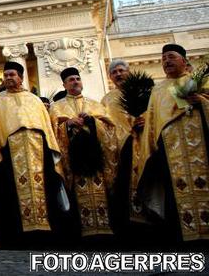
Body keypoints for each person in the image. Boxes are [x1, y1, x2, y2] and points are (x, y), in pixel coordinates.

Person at [0, 61, 67, 249]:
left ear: (21, 77)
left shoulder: (34, 100)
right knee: (10, 195)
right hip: (9, 155)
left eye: (12, 74)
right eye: (6, 75)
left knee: (45, 191)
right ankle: (17, 237)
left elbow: (48, 130)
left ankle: (46, 235)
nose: (9, 78)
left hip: (39, 152)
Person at [135, 44, 209, 243]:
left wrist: (202, 102)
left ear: (184, 61)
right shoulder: (158, 91)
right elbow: (152, 125)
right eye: (163, 59)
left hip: (203, 150)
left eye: (171, 56)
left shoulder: (200, 81)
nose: (166, 61)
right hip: (170, 157)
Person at [48, 67, 117, 241]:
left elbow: (110, 129)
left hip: (94, 158)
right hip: (73, 160)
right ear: (64, 84)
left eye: (77, 79)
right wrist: (68, 124)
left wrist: (92, 121)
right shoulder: (57, 107)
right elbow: (52, 132)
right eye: (71, 80)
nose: (75, 82)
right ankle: (80, 235)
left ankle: (104, 231)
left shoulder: (95, 104)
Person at [100, 59, 149, 242]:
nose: (118, 74)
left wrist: (145, 121)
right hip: (120, 149)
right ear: (110, 77)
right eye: (114, 72)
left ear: (129, 72)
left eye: (121, 71)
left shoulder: (144, 92)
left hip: (143, 144)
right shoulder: (107, 99)